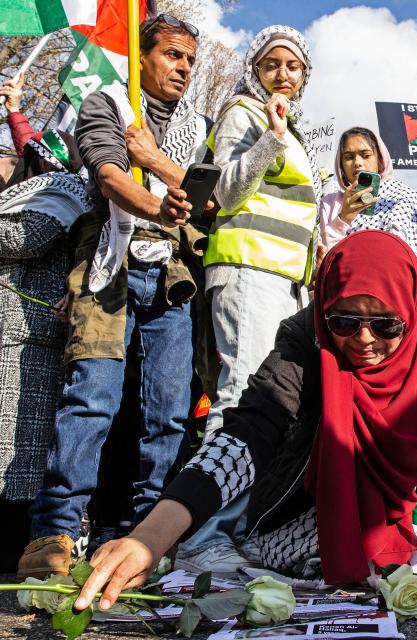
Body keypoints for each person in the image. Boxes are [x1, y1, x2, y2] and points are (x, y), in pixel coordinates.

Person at [70, 231, 417, 608]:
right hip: (311, 505)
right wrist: (151, 537)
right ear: (324, 311)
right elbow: (251, 431)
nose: (363, 340)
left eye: (385, 325)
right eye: (344, 320)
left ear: (409, 314)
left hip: (409, 500)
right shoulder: (305, 336)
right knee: (351, 554)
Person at [17, 14, 210, 579]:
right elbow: (106, 175)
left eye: (191, 60)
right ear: (141, 55)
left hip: (172, 280)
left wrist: (154, 161)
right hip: (111, 269)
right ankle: (52, 531)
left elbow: (212, 201)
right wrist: (157, 203)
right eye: (173, 55)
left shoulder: (199, 126)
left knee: (169, 414)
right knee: (91, 399)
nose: (184, 68)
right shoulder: (108, 103)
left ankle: (148, 537)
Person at [176, 26, 321, 573]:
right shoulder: (243, 112)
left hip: (282, 279)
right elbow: (227, 191)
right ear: (255, 71)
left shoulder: (295, 134)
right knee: (239, 397)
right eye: (271, 65)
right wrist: (271, 141)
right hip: (245, 269)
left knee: (276, 406)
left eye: (293, 67)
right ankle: (201, 535)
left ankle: (238, 528)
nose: (283, 75)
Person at [0, 145, 89, 571]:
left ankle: (15, 547)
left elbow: (27, 236)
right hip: (15, 334)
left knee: (19, 454)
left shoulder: (59, 186)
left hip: (29, 336)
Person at [319, 127, 417, 291]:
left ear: (380, 160)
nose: (357, 163)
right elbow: (323, 258)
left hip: (388, 291)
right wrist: (343, 218)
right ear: (341, 166)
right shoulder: (329, 203)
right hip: (340, 294)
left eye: (365, 155)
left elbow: (408, 258)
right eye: (349, 157)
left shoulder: (403, 197)